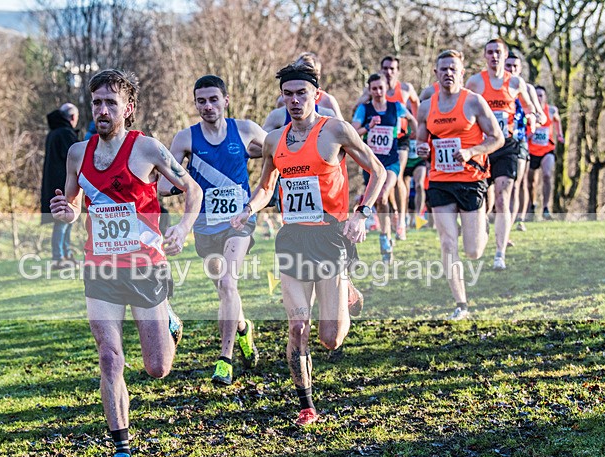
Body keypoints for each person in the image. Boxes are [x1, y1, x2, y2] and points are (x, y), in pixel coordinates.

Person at [49, 69, 202, 457]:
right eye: (96, 102)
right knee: (109, 356)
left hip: (145, 266)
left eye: (110, 103)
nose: (101, 109)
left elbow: (193, 191)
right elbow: (74, 203)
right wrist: (66, 212)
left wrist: (183, 228)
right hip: (100, 268)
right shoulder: (77, 153)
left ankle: (169, 319)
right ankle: (121, 449)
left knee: (157, 368)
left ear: (128, 108)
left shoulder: (147, 149)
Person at [231, 61, 393, 425]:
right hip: (292, 238)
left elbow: (378, 171)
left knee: (331, 339)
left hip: (329, 237)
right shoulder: (274, 139)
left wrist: (362, 213)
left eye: (301, 93)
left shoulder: (335, 130)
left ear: (316, 95)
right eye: (287, 94)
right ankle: (306, 405)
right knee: (297, 325)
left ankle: (345, 288)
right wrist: (249, 209)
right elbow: (266, 187)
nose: (294, 100)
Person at [159, 75, 267, 386]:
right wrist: (178, 183)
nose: (208, 106)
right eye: (201, 101)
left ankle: (225, 359)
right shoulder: (185, 139)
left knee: (229, 283)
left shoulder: (244, 130)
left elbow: (276, 151)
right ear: (195, 104)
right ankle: (243, 329)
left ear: (225, 101)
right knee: (224, 289)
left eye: (213, 100)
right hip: (205, 227)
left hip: (238, 222)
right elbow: (166, 183)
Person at [416, 50, 504, 319]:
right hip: (440, 180)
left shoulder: (474, 102)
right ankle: (461, 304)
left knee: (474, 251)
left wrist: (471, 151)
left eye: (453, 68)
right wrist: (421, 148)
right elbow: (421, 141)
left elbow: (498, 138)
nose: (448, 73)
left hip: (471, 179)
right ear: (436, 73)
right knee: (447, 243)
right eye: (443, 69)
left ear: (462, 72)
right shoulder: (425, 106)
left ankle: (483, 226)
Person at [466, 38, 537, 270]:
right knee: (484, 198)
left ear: (505, 56)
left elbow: (528, 107)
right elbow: (463, 107)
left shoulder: (515, 82)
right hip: (483, 145)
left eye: (498, 52)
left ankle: (500, 253)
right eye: (490, 52)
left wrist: (532, 118)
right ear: (485, 56)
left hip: (508, 144)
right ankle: (484, 225)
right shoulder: (475, 82)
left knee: (503, 195)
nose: (494, 56)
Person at [351, 73, 417, 264]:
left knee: (382, 195)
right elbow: (353, 133)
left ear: (386, 89)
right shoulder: (364, 109)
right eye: (374, 89)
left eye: (381, 88)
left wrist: (412, 135)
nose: (378, 92)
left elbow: (412, 119)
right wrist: (368, 127)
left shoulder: (395, 107)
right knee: (381, 200)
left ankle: (385, 236)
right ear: (369, 90)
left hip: (391, 161)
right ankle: (386, 234)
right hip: (371, 163)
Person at [504, 53, 545, 232]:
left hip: (519, 141)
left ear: (520, 69)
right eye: (508, 66)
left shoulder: (526, 88)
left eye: (515, 66)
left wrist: (534, 119)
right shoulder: (495, 87)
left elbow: (540, 114)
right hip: (495, 142)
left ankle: (516, 221)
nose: (511, 69)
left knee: (516, 182)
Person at [41, 103, 79, 269]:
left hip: (55, 184)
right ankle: (59, 257)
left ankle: (66, 254)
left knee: (66, 221)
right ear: (72, 118)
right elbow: (76, 158)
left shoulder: (53, 133)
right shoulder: (65, 133)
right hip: (62, 186)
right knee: (62, 222)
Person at [527, 85, 564, 221]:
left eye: (541, 95)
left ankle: (546, 208)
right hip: (531, 151)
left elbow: (557, 120)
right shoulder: (529, 111)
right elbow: (522, 124)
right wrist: (528, 134)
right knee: (531, 181)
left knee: (547, 175)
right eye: (536, 95)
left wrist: (559, 135)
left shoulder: (551, 111)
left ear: (545, 97)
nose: (538, 97)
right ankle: (532, 204)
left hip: (547, 150)